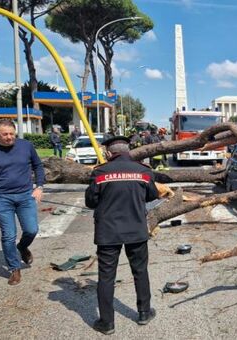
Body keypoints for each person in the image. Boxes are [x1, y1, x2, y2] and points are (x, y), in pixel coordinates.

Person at [85, 136, 160, 335]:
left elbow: (91, 202)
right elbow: (153, 195)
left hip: (108, 233)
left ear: (109, 153)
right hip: (136, 230)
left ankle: (107, 323)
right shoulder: (143, 171)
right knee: (140, 272)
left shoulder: (100, 173)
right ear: (128, 151)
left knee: (106, 277)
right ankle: (144, 313)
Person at [0, 119, 45, 285]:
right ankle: (14, 268)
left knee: (32, 229)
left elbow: (38, 166)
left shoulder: (26, 146)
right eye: (4, 134)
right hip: (1, 197)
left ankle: (22, 247)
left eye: (11, 133)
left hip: (25, 195)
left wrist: (40, 186)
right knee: (8, 235)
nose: (9, 137)